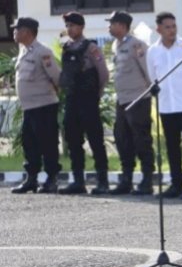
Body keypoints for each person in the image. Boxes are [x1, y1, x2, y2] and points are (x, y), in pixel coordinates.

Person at [146, 11, 182, 200]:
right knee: (171, 147)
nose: (172, 30)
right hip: (166, 106)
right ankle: (176, 184)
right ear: (159, 29)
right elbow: (152, 76)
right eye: (167, 27)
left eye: (174, 26)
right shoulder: (153, 51)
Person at [58, 11, 111, 195]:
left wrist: (97, 93)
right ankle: (78, 181)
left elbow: (103, 74)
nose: (69, 29)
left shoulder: (91, 48)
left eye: (72, 25)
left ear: (81, 27)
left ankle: (102, 181)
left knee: (96, 140)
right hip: (72, 99)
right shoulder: (66, 47)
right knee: (73, 140)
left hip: (88, 100)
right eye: (67, 26)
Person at [10, 17, 61, 194]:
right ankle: (31, 179)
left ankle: (51, 179)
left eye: (18, 29)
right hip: (29, 108)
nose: (14, 32)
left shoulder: (43, 52)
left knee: (48, 143)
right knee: (29, 144)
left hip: (44, 106)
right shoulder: (23, 52)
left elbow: (56, 77)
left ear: (28, 31)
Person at [107, 11, 155, 195]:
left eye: (112, 23)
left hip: (138, 99)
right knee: (122, 139)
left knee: (141, 140)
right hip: (122, 100)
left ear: (122, 25)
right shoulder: (116, 45)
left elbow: (147, 70)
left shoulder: (137, 45)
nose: (109, 27)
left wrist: (151, 89)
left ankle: (147, 180)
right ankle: (126, 179)